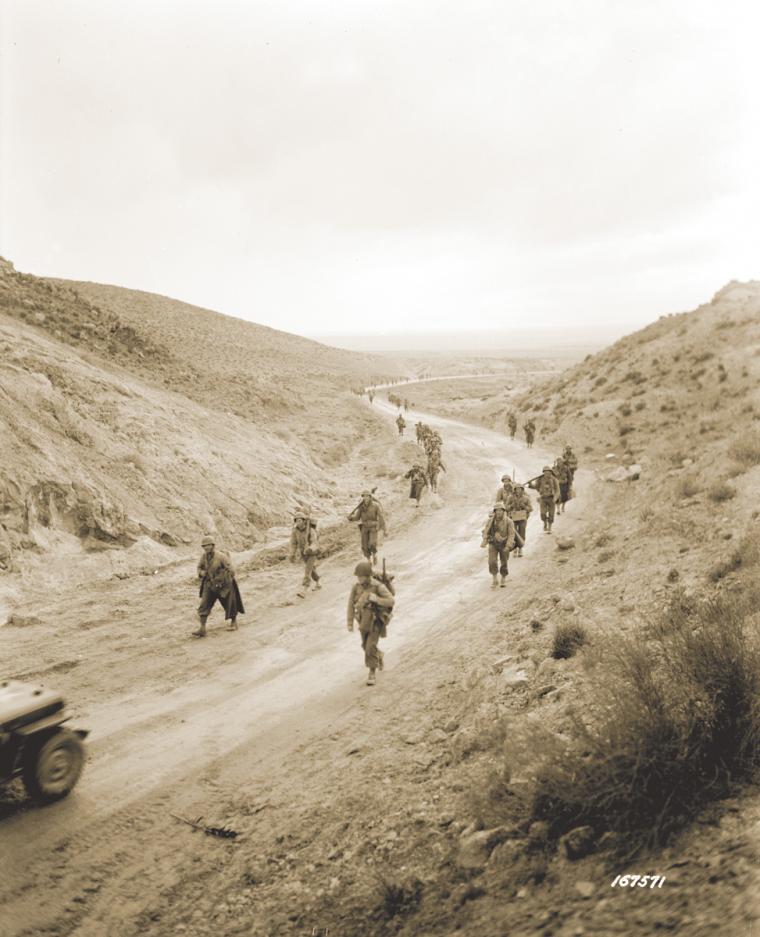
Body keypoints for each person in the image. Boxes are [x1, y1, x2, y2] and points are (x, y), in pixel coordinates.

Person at [346, 560, 395, 686]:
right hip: (363, 622)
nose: (359, 579)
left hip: (376, 621)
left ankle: (372, 673)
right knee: (364, 646)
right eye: (358, 576)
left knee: (369, 647)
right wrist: (350, 622)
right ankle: (378, 655)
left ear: (368, 576)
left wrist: (377, 599)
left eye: (361, 576)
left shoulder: (378, 586)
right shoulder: (356, 587)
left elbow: (391, 601)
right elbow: (350, 605)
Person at [193, 535, 245, 637]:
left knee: (230, 603)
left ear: (213, 546)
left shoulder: (221, 557)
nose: (206, 548)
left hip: (224, 585)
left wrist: (223, 580)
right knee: (204, 605)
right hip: (210, 585)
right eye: (204, 546)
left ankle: (234, 623)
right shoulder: (203, 557)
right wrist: (201, 573)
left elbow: (231, 571)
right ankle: (202, 628)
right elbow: (199, 567)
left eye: (208, 546)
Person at [481, 503, 517, 588]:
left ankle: (503, 577)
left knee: (504, 562)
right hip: (493, 543)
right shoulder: (490, 521)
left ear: (503, 511)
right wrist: (485, 538)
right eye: (497, 510)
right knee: (492, 562)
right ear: (494, 511)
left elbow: (511, 534)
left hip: (504, 544)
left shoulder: (509, 521)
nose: (499, 512)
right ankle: (494, 578)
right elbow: (485, 531)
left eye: (500, 510)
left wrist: (508, 546)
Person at [348, 491, 387, 564]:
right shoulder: (361, 507)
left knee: (372, 543)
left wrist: (385, 530)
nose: (365, 498)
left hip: (373, 527)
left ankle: (374, 555)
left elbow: (381, 517)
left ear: (370, 497)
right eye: (364, 496)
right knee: (364, 546)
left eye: (367, 496)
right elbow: (357, 517)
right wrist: (350, 518)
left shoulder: (375, 506)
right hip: (364, 528)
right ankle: (369, 560)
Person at [289, 511, 321, 597]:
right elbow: (293, 544)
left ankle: (304, 589)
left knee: (307, 571)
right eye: (296, 521)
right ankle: (318, 583)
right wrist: (292, 554)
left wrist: (310, 548)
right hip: (303, 553)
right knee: (311, 569)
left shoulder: (311, 530)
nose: (298, 523)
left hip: (312, 552)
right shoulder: (295, 532)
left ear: (304, 521)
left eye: (300, 520)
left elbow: (315, 542)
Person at [529, 466, 560, 534]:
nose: (547, 473)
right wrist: (530, 484)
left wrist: (555, 498)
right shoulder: (540, 479)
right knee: (543, 514)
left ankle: (549, 527)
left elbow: (557, 491)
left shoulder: (554, 480)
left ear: (551, 472)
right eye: (545, 472)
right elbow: (536, 486)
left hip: (551, 499)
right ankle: (545, 522)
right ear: (543, 473)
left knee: (551, 514)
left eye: (548, 472)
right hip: (543, 498)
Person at [506, 484, 532, 556]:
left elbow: (530, 508)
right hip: (513, 518)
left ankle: (520, 548)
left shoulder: (526, 498)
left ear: (522, 490)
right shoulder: (510, 498)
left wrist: (524, 506)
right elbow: (506, 508)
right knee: (513, 532)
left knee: (522, 532)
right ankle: (514, 548)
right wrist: (511, 506)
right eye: (516, 489)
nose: (518, 490)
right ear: (514, 490)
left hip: (522, 518)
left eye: (520, 489)